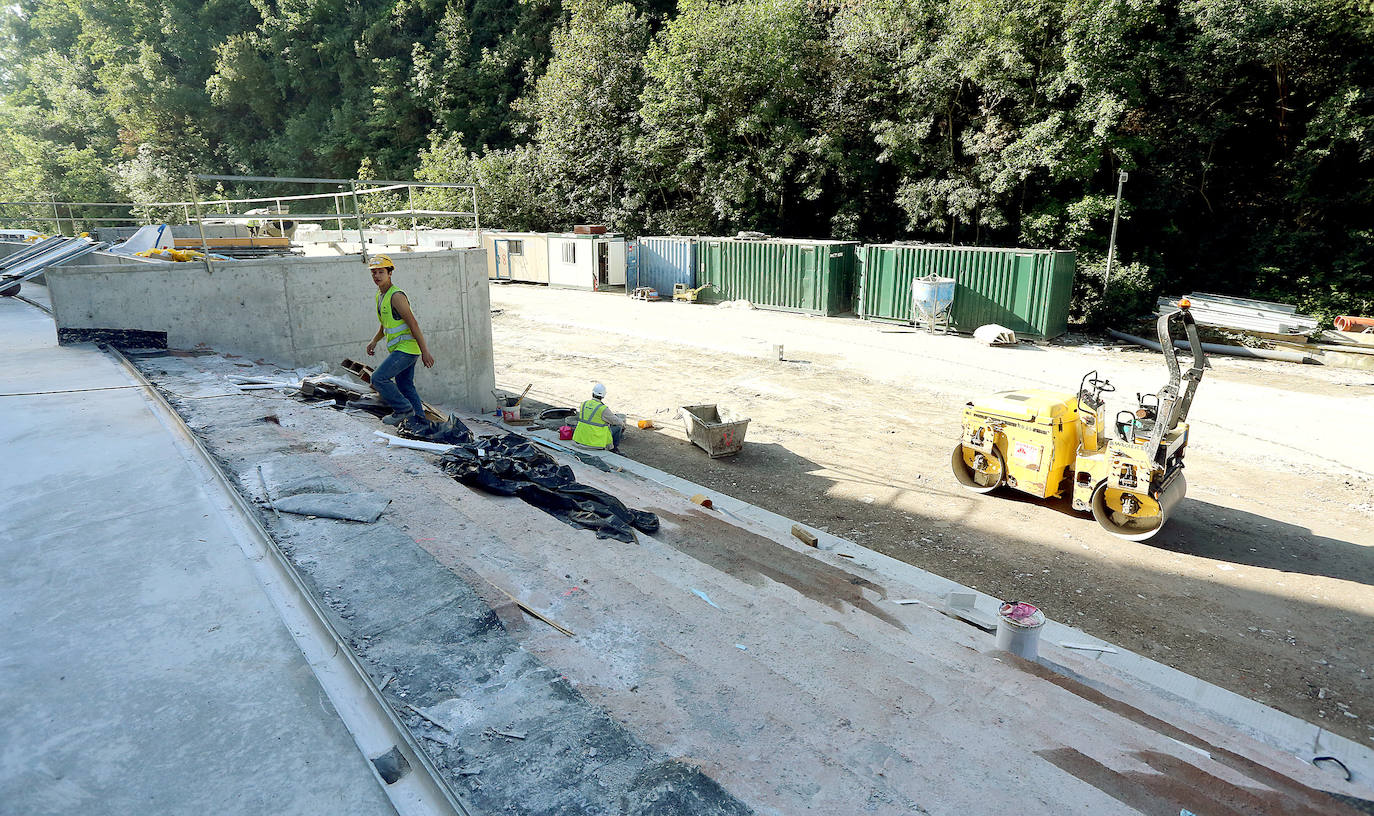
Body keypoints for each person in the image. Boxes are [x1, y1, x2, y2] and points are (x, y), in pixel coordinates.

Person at [365, 255, 435, 425]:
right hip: (401, 349)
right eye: (374, 273)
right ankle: (419, 421)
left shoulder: (396, 296)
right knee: (405, 386)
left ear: (390, 273)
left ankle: (403, 409)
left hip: (407, 349)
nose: (377, 276)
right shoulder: (380, 295)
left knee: (378, 378)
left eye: (381, 272)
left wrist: (425, 351)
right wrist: (374, 341)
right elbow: (385, 325)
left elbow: (413, 324)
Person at [572, 382, 625, 452]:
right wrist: (623, 425)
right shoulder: (602, 409)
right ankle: (614, 450)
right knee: (618, 427)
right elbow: (617, 422)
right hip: (594, 443)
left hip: (578, 440)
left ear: (592, 393)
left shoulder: (583, 404)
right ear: (603, 396)